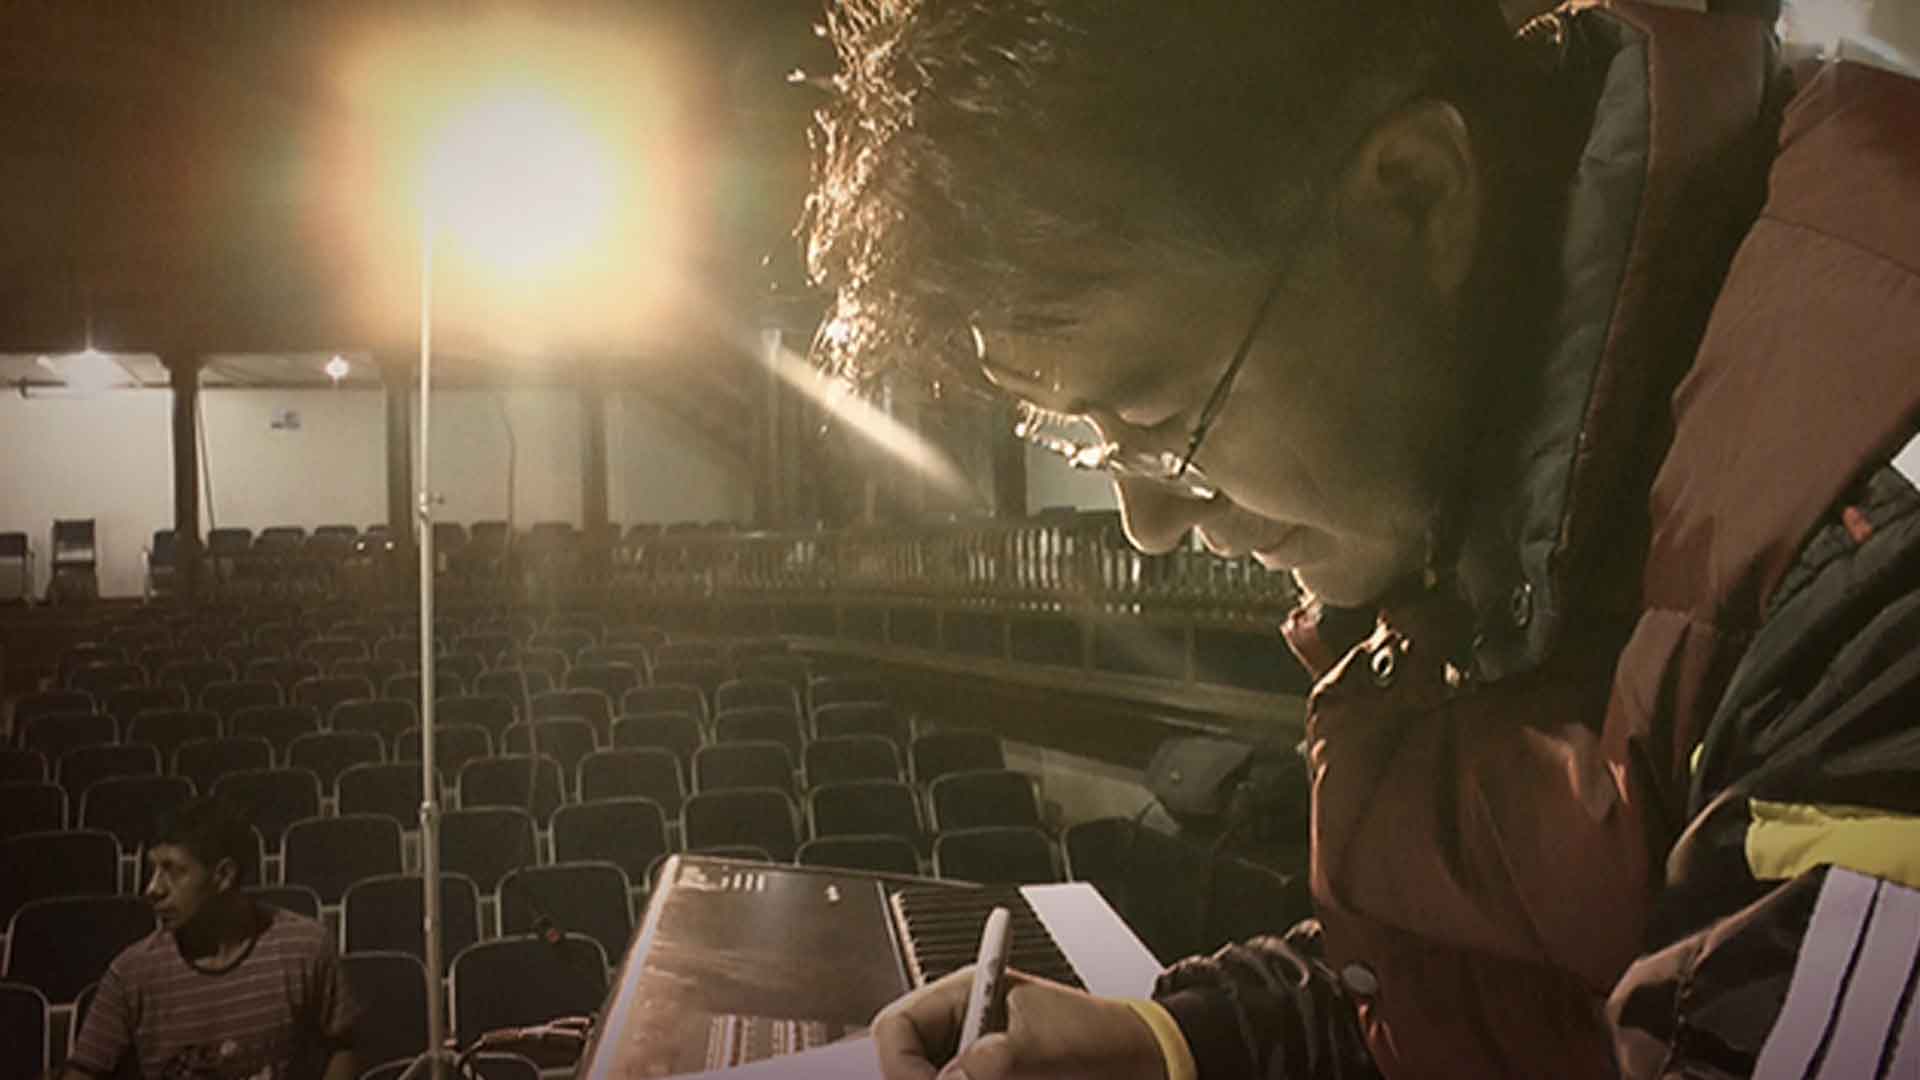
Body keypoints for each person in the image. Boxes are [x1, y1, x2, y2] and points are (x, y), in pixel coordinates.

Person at [801, 0, 1920, 1076]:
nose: (1147, 526)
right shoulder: (1481, 496)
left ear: (1417, 196)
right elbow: (1518, 993)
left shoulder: (1873, 563)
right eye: (1088, 441)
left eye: (1158, 422)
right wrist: (1186, 1042)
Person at [63, 796, 359, 1080]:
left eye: (173, 871)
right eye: (152, 869)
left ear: (223, 876)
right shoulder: (131, 973)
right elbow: (85, 1070)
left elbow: (345, 1045)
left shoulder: (305, 947)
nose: (152, 888)